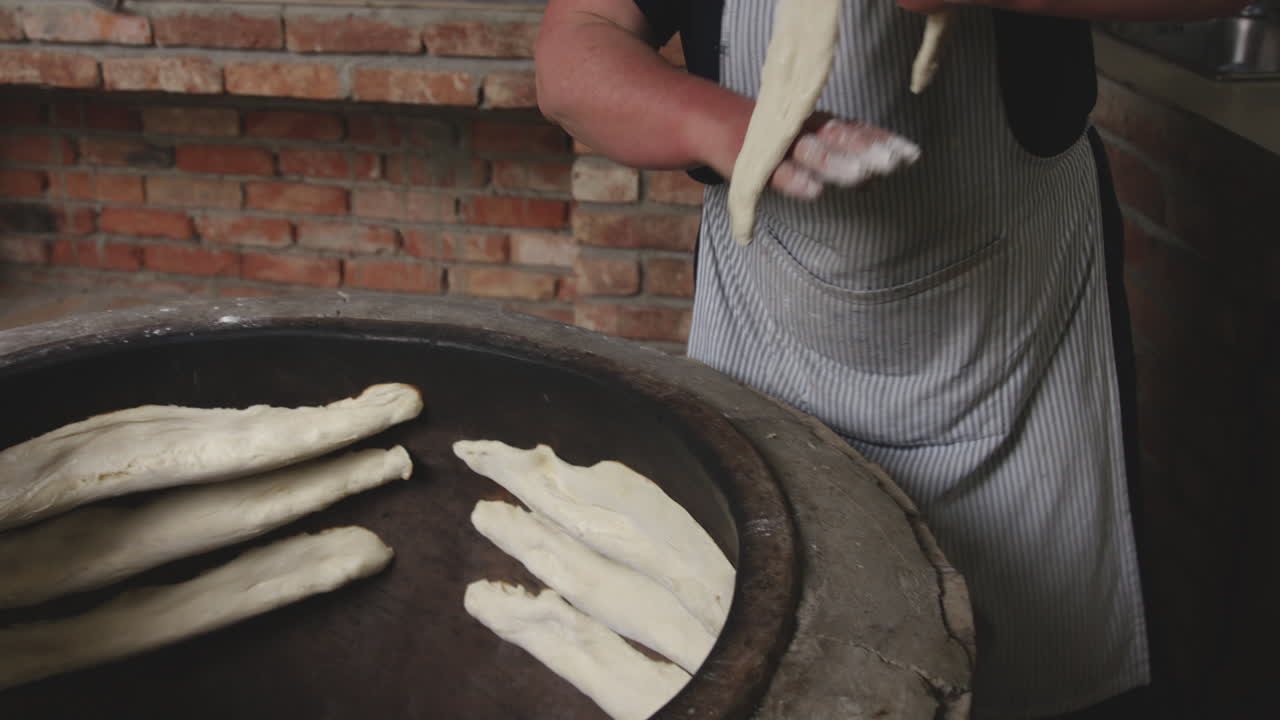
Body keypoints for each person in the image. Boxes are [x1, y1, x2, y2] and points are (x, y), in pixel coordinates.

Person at [534, 2, 1249, 718]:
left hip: (1015, 355)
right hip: (771, 334)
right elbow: (574, 56)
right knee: (782, 670)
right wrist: (731, 128)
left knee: (1044, 666)